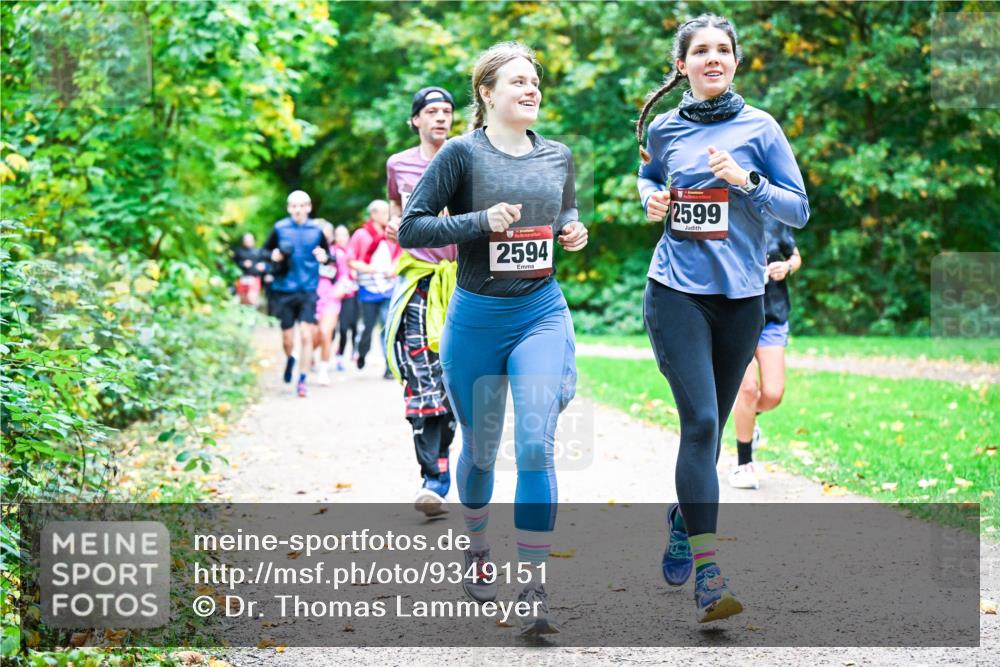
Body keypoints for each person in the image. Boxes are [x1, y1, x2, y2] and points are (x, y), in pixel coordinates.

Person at [399, 41, 588, 637]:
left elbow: (562, 214)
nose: (531, 90)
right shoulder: (461, 154)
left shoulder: (558, 155)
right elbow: (411, 227)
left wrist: (572, 230)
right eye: (517, 82)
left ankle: (533, 587)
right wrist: (480, 221)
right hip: (477, 318)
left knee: (535, 445)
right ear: (486, 93)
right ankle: (477, 546)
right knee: (480, 452)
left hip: (540, 312)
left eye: (535, 81)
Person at [635, 14, 809, 623]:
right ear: (681, 64)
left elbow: (798, 208)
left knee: (705, 434)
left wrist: (748, 180)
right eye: (701, 51)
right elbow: (649, 176)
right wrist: (651, 198)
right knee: (704, 421)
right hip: (676, 291)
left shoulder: (761, 127)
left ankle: (684, 518)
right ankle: (710, 577)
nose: (713, 58)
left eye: (723, 50)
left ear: (735, 60)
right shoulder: (665, 128)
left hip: (741, 298)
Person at [382, 86, 459, 518]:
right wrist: (395, 223)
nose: (440, 118)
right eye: (431, 111)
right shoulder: (399, 164)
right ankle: (433, 478)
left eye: (447, 111)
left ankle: (445, 464)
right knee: (422, 377)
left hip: (463, 282)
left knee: (456, 380)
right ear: (415, 120)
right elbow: (395, 205)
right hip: (420, 279)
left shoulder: (468, 156)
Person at [729, 222, 802, 489]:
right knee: (748, 389)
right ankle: (743, 465)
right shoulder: (727, 215)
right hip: (736, 317)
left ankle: (746, 417)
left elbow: (795, 256)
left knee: (773, 394)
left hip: (772, 316)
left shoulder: (776, 216)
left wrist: (787, 267)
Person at [264, 190, 330, 398]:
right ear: (289, 208)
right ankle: (290, 358)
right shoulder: (280, 228)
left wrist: (324, 257)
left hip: (308, 290)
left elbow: (329, 256)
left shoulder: (316, 230)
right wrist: (273, 255)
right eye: (294, 206)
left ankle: (302, 380)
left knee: (306, 334)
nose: (298, 210)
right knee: (287, 339)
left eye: (302, 206)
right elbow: (263, 252)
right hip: (284, 290)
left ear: (308, 207)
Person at [347, 200, 400, 378]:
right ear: (373, 214)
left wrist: (393, 269)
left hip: (388, 288)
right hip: (368, 289)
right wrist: (369, 269)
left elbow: (400, 255)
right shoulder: (360, 234)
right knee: (368, 326)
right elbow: (351, 260)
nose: (386, 215)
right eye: (383, 212)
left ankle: (389, 367)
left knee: (387, 325)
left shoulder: (392, 233)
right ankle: (362, 351)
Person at [313, 221, 341, 386]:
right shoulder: (310, 253)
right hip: (312, 299)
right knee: (313, 336)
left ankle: (323, 371)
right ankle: (308, 355)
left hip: (331, 299)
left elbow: (344, 275)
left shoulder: (338, 254)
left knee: (326, 332)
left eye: (329, 232)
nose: (326, 236)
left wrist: (339, 289)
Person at [331, 224, 359, 372]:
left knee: (348, 326)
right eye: (339, 235)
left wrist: (354, 275)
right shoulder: (331, 252)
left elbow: (357, 269)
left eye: (344, 235)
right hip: (334, 295)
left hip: (350, 294)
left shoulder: (351, 251)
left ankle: (345, 354)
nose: (342, 238)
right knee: (334, 329)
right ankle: (334, 355)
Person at [233, 233, 265, 307]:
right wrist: (243, 264)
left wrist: (262, 266)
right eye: (246, 240)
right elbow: (233, 264)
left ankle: (253, 311)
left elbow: (265, 262)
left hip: (254, 277)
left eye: (250, 240)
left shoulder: (258, 252)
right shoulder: (238, 252)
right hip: (242, 278)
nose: (248, 242)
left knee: (252, 298)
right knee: (243, 300)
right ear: (243, 241)